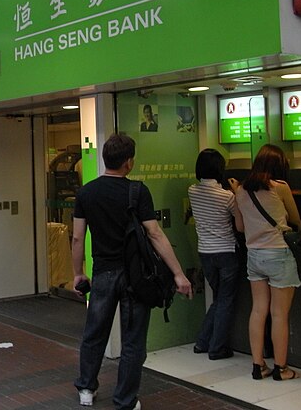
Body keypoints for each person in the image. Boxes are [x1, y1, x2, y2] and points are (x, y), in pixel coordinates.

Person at [72, 133, 192, 409]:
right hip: (137, 276)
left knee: (94, 333)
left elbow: (78, 238)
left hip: (102, 273)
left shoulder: (86, 193)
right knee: (133, 339)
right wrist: (178, 273)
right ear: (128, 162)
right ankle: (125, 399)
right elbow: (155, 234)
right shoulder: (137, 191)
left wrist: (78, 273)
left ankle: (86, 389)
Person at [234, 144, 301, 381]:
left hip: (254, 255)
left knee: (258, 310)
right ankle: (281, 369)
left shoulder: (241, 191)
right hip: (278, 254)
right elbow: (295, 220)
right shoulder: (280, 188)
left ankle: (258, 365)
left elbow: (240, 228)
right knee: (279, 314)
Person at [188, 149, 240, 360]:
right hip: (227, 251)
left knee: (219, 299)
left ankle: (202, 342)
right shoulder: (227, 196)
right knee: (225, 300)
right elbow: (241, 224)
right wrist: (236, 191)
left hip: (206, 253)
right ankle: (216, 348)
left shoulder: (192, 190)